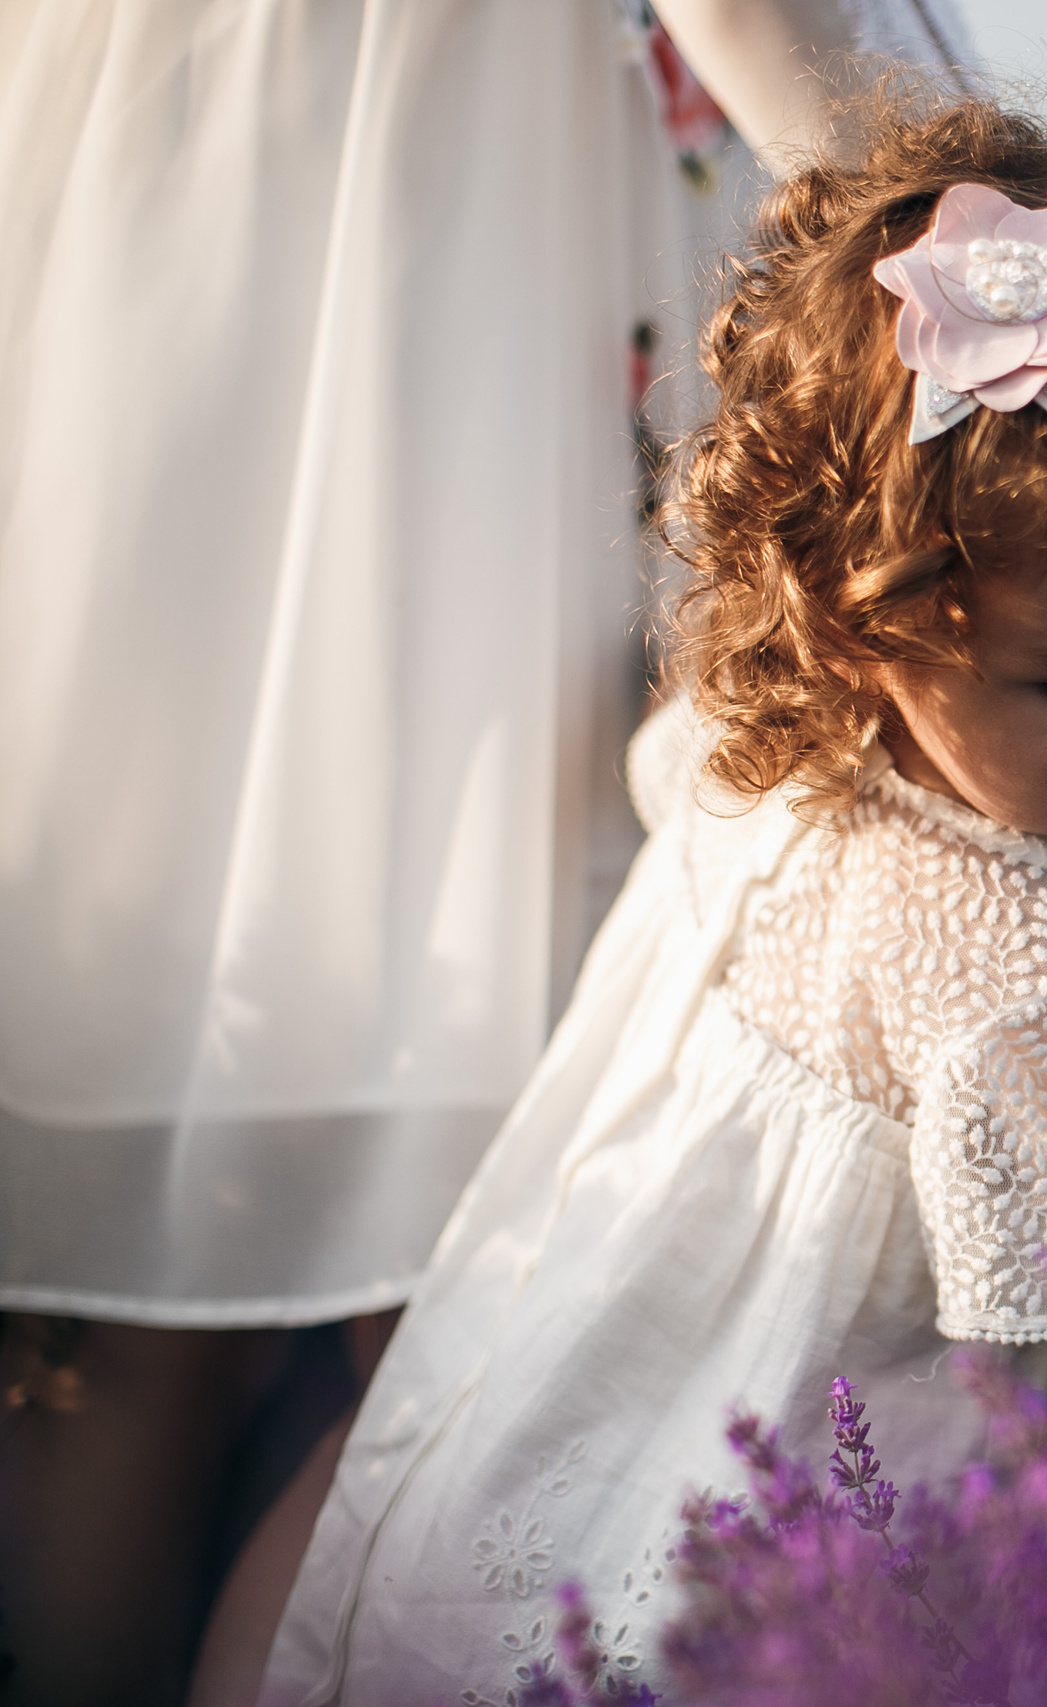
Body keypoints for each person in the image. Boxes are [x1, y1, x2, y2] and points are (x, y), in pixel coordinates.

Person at [242, 97, 1047, 1701]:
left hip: (498, 1465)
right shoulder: (1046, 992)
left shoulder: (751, 747)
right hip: (760, 1610)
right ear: (865, 636)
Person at [0, 3, 971, 1700]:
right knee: (492, 1307)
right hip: (463, 306)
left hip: (173, 246)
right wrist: (1003, 287)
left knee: (148, 1299)